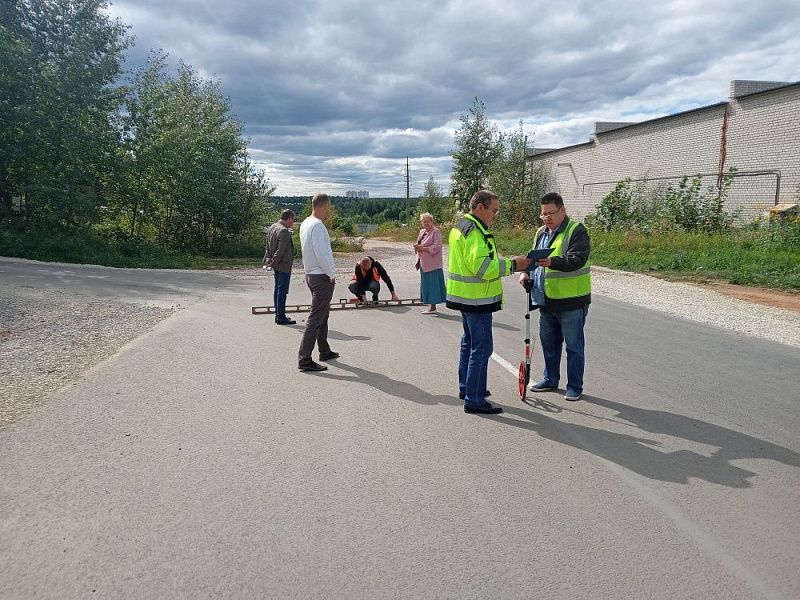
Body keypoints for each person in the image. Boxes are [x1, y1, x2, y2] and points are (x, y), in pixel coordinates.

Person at [446, 190, 531, 414]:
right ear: (480, 207)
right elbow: (483, 268)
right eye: (494, 211)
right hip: (477, 300)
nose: (495, 215)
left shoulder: (461, 226)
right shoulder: (475, 232)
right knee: (481, 348)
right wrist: (514, 264)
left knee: (469, 343)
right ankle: (474, 399)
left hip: (465, 297)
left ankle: (468, 388)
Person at [518, 192, 591, 401]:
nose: (547, 218)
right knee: (549, 343)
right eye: (543, 214)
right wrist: (526, 273)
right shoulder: (541, 232)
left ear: (563, 210)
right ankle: (550, 379)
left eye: (551, 213)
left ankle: (575, 386)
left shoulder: (576, 231)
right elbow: (533, 258)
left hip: (572, 300)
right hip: (546, 299)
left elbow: (576, 260)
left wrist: (552, 262)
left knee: (574, 346)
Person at [297, 193, 339, 372]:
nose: (329, 211)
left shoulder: (306, 223)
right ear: (324, 206)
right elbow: (321, 254)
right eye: (329, 207)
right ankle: (304, 359)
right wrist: (330, 274)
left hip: (311, 274)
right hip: (321, 276)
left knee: (323, 314)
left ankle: (324, 350)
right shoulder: (318, 226)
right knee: (315, 318)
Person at [264, 209, 297, 325]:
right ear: (289, 219)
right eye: (293, 220)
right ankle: (280, 316)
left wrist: (268, 259)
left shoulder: (273, 227)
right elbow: (280, 251)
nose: (293, 223)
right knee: (282, 291)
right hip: (283, 265)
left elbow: (267, 245)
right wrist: (273, 263)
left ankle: (278, 314)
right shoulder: (284, 231)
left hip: (276, 265)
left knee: (277, 289)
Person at [413, 212, 447, 314]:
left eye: (428, 221)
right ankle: (429, 305)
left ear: (432, 222)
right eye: (424, 222)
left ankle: (433, 307)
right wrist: (416, 247)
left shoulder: (436, 232)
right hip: (423, 263)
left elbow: (437, 247)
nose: (426, 223)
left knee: (433, 286)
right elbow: (419, 243)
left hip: (433, 264)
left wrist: (422, 249)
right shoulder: (422, 232)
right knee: (426, 285)